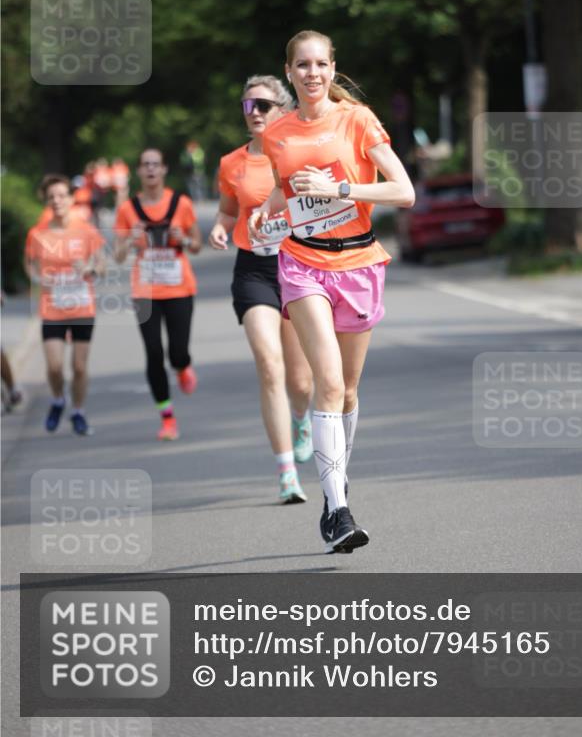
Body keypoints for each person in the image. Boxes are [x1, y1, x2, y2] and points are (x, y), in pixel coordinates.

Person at [250, 30, 415, 553]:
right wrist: (266, 210)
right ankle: (338, 510)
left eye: (321, 64)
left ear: (332, 67)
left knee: (347, 391)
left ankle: (335, 480)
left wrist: (341, 189)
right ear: (290, 71)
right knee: (327, 380)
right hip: (303, 263)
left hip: (360, 263)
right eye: (302, 65)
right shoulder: (278, 132)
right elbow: (285, 186)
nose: (313, 73)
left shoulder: (358, 120)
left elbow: (404, 191)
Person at [210, 76, 314, 504]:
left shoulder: (299, 153)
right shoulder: (231, 162)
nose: (253, 112)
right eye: (247, 104)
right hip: (253, 271)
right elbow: (226, 209)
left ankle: (302, 418)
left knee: (301, 381)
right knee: (270, 365)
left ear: (283, 110)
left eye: (263, 105)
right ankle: (286, 472)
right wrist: (220, 227)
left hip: (297, 266)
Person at [114, 148, 202, 441]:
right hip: (145, 291)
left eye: (156, 164)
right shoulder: (128, 209)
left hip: (179, 287)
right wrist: (131, 239)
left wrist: (183, 239)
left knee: (177, 352)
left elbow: (196, 245)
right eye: (145, 165)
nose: (151, 169)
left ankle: (183, 367)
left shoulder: (181, 203)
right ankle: (167, 419)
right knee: (153, 353)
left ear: (164, 169)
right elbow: (117, 255)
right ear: (139, 171)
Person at [24, 175, 106, 435]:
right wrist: (38, 278)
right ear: (46, 201)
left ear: (71, 199)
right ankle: (58, 399)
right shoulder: (37, 234)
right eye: (51, 197)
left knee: (79, 367)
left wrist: (90, 268)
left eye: (61, 196)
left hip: (82, 306)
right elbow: (29, 264)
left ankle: (78, 411)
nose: (56, 201)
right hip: (53, 308)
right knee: (54, 367)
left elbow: (102, 265)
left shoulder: (86, 230)